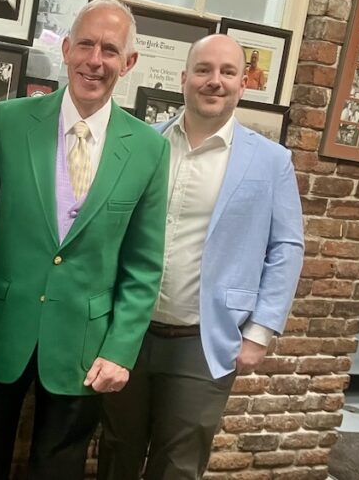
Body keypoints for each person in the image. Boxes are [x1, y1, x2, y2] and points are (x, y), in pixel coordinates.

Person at [0, 0, 170, 480]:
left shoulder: (150, 150)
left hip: (85, 342)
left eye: (110, 50)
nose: (96, 60)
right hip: (0, 324)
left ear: (128, 63)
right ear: (67, 49)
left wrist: (121, 348)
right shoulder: (8, 122)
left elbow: (143, 263)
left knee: (59, 468)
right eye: (86, 45)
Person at [97, 34, 305, 480]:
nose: (215, 81)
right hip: (128, 332)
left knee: (180, 463)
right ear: (184, 78)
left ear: (243, 83)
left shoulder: (270, 161)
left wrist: (261, 331)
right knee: (116, 450)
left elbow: (286, 247)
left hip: (205, 340)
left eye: (228, 72)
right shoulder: (145, 144)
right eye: (204, 70)